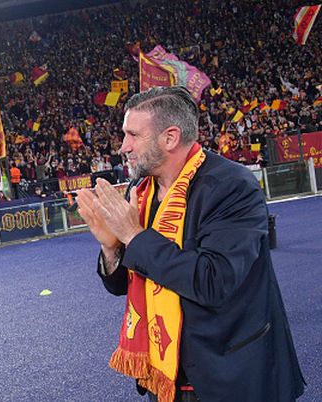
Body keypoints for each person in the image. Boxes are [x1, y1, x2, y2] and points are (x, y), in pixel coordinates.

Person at [75, 87, 305, 402]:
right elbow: (126, 283)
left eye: (132, 134)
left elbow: (214, 281)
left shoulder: (231, 186)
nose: (123, 146)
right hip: (165, 377)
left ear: (170, 138)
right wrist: (112, 248)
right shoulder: (140, 190)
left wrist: (134, 237)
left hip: (230, 377)